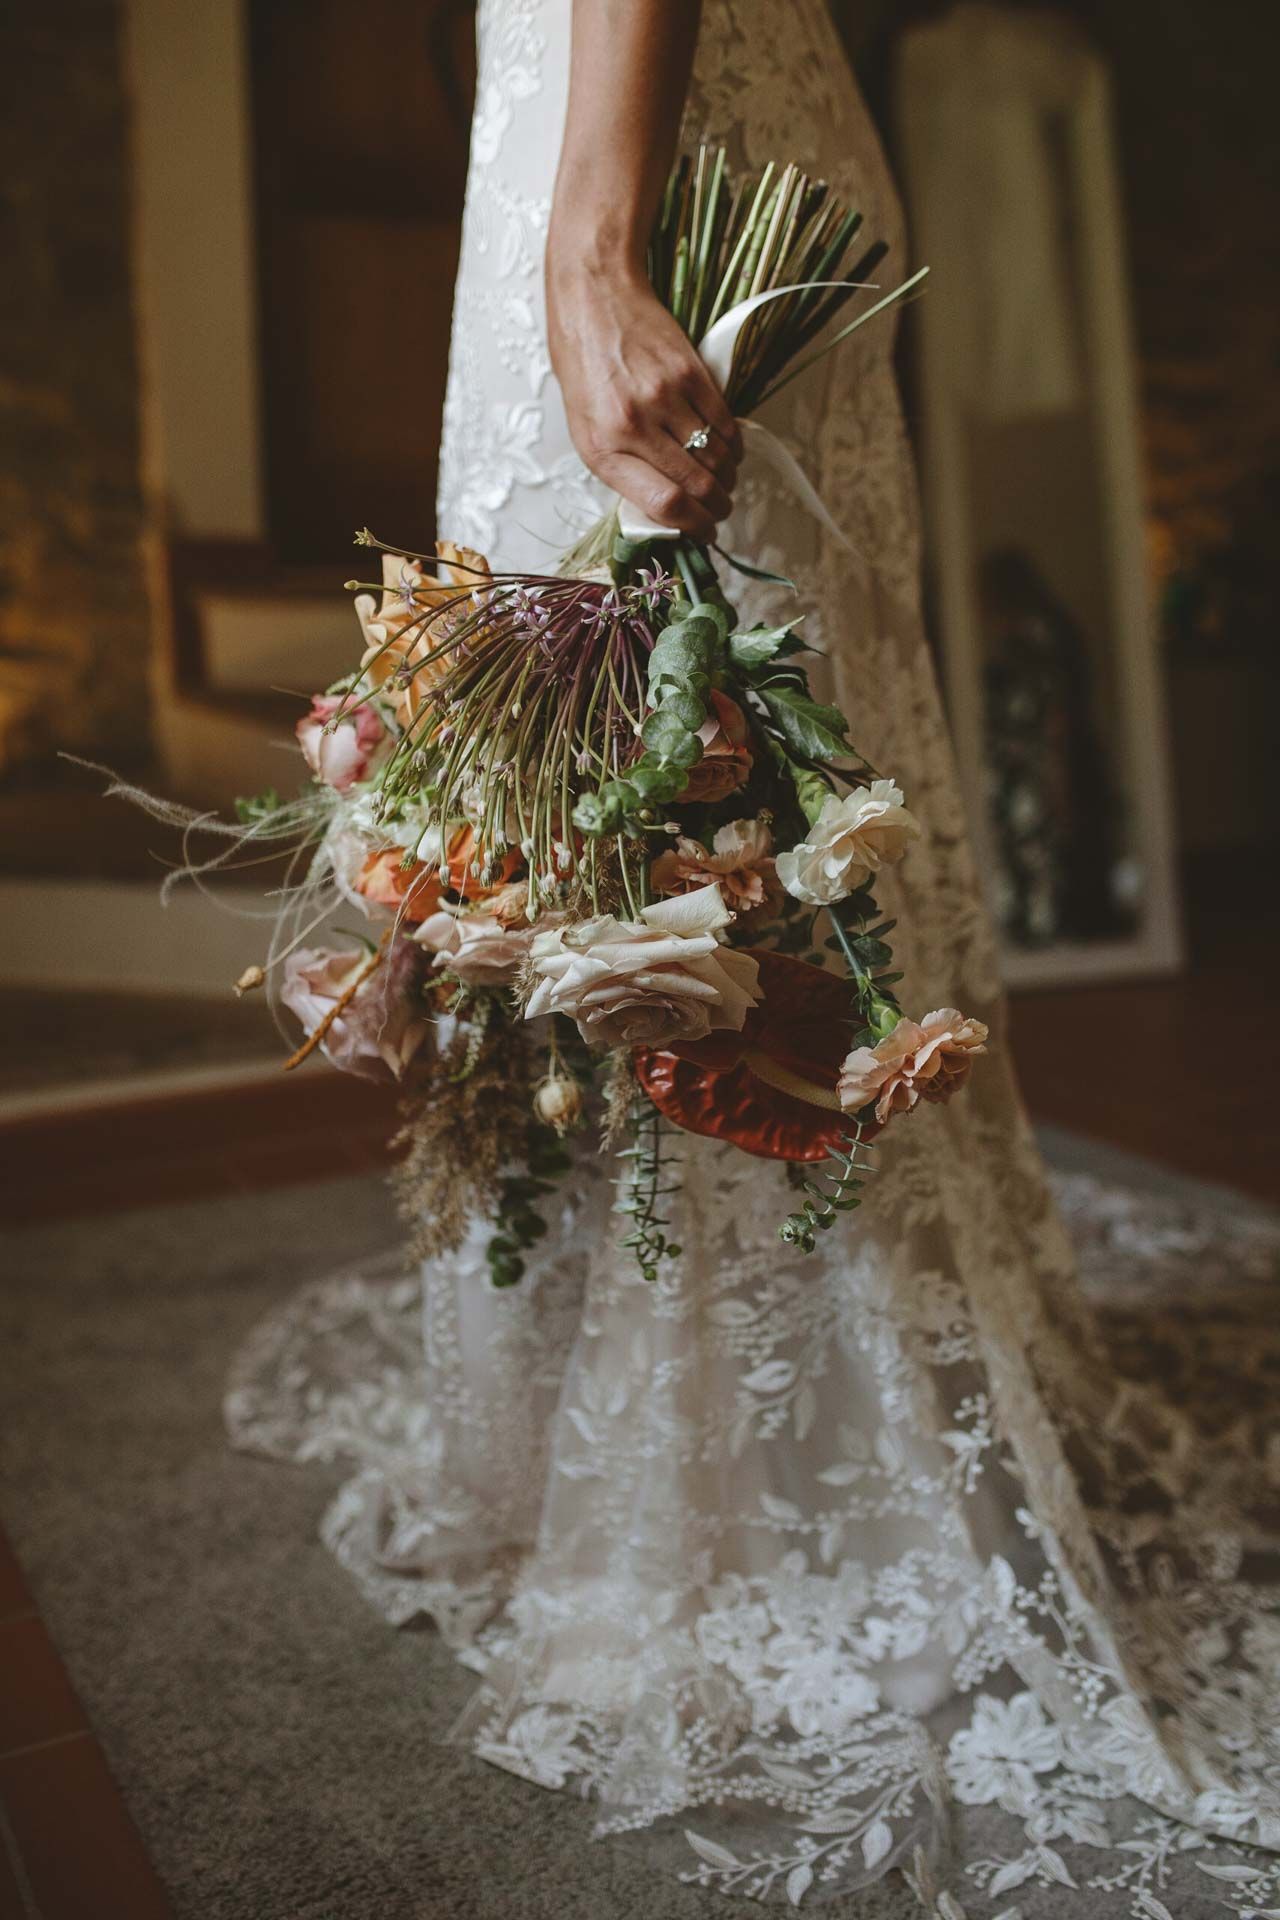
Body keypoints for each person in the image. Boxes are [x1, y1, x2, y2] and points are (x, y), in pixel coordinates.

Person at [229, 1, 1280, 1906]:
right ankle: (671, 1395)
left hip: (645, 158)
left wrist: (593, 247)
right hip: (628, 133)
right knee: (584, 757)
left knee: (685, 764)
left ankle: (770, 1467)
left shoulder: (608, 219)